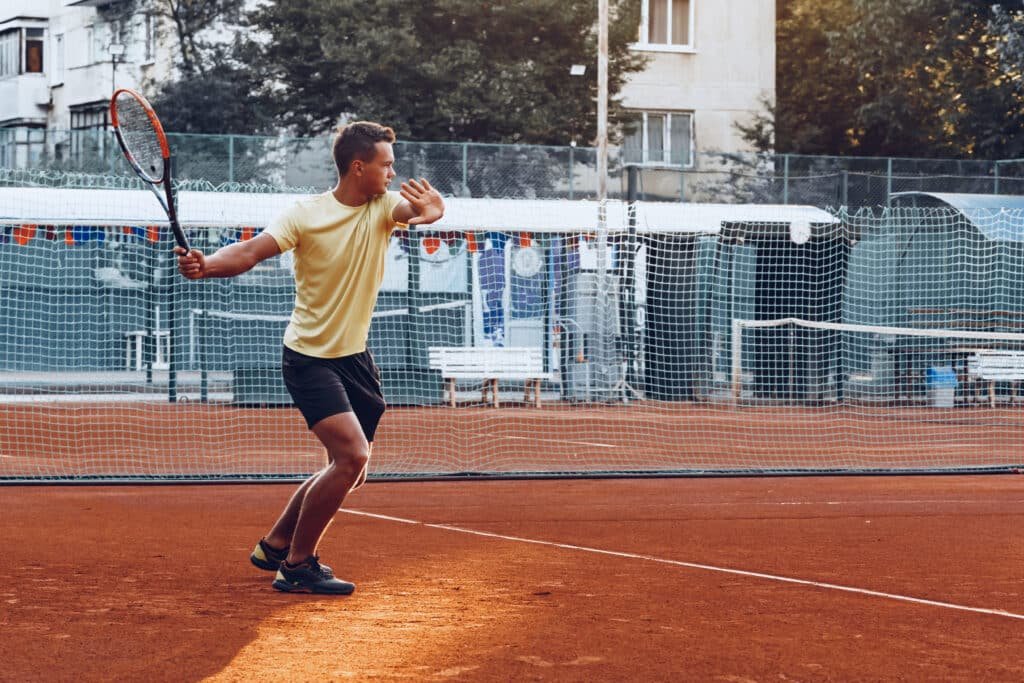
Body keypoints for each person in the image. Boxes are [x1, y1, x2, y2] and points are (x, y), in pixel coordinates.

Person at [176, 121, 444, 595]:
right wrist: (208, 265)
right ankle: (298, 566)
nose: (393, 172)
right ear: (358, 167)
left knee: (350, 472)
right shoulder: (305, 214)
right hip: (309, 357)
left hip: (355, 359)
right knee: (351, 456)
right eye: (386, 165)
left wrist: (432, 210)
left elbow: (423, 209)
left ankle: (276, 543)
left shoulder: (384, 208)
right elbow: (250, 251)